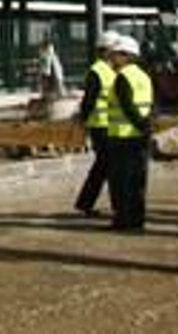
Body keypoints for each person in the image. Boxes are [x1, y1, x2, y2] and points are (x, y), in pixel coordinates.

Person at [105, 34, 153, 232]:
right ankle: (136, 219)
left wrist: (141, 126)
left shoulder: (122, 77)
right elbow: (150, 106)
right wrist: (146, 129)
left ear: (127, 56)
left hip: (122, 137)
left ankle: (123, 220)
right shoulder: (143, 76)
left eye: (116, 55)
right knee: (137, 182)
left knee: (121, 182)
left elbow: (128, 107)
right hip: (139, 137)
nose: (112, 59)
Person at [73, 30, 120, 217]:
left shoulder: (110, 70)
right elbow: (89, 100)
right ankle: (97, 204)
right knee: (107, 166)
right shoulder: (97, 71)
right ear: (107, 51)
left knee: (103, 166)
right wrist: (84, 121)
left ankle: (86, 203)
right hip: (101, 126)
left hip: (108, 125)